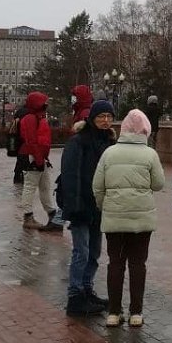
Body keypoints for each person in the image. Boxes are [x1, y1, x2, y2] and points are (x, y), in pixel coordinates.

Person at [92, 109, 165, 328]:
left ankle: (114, 313)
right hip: (141, 219)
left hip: (114, 217)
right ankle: (136, 313)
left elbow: (97, 186)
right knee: (137, 264)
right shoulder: (150, 154)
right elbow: (159, 184)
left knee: (115, 263)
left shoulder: (109, 153)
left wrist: (105, 207)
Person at [58, 99, 117, 317]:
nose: (105, 120)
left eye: (109, 117)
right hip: (81, 204)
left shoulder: (110, 143)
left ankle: (87, 289)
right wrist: (74, 205)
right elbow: (70, 175)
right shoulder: (79, 141)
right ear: (92, 118)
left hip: (99, 206)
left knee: (94, 252)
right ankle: (75, 296)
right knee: (81, 252)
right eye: (101, 116)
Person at [20, 92, 62, 230]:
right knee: (30, 186)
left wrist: (42, 158)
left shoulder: (38, 117)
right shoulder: (31, 118)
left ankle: (52, 214)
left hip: (40, 158)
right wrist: (38, 158)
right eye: (44, 102)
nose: (46, 104)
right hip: (34, 157)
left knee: (44, 186)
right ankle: (28, 216)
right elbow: (31, 141)